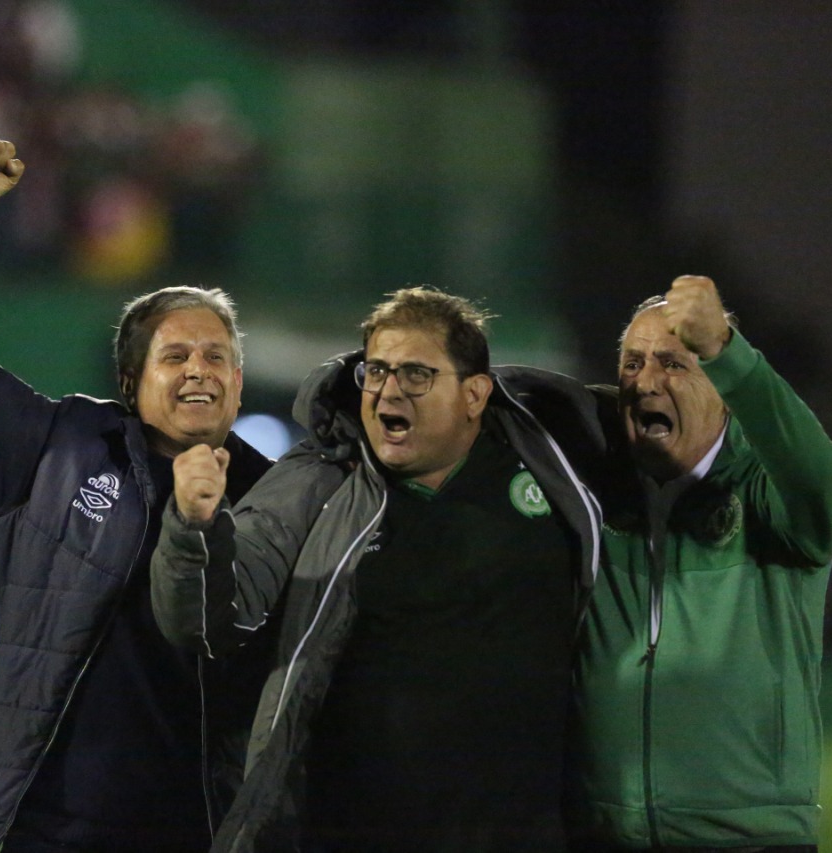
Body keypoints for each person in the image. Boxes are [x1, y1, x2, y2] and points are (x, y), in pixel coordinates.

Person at [0, 136, 274, 853]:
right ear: (131, 383)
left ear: (239, 382)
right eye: (176, 354)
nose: (200, 369)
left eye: (217, 355)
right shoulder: (59, 449)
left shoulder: (277, 494)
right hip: (49, 830)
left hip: (209, 831)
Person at [151, 285, 615, 851]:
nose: (390, 391)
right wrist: (192, 528)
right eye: (377, 371)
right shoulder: (321, 480)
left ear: (474, 394)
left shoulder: (553, 461)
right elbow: (205, 619)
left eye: (417, 374)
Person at [565, 276, 832, 852]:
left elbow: (816, 481)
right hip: (602, 836)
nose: (645, 381)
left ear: (723, 390)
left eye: (673, 363)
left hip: (748, 839)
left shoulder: (767, 495)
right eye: (632, 362)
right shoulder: (589, 492)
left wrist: (725, 348)